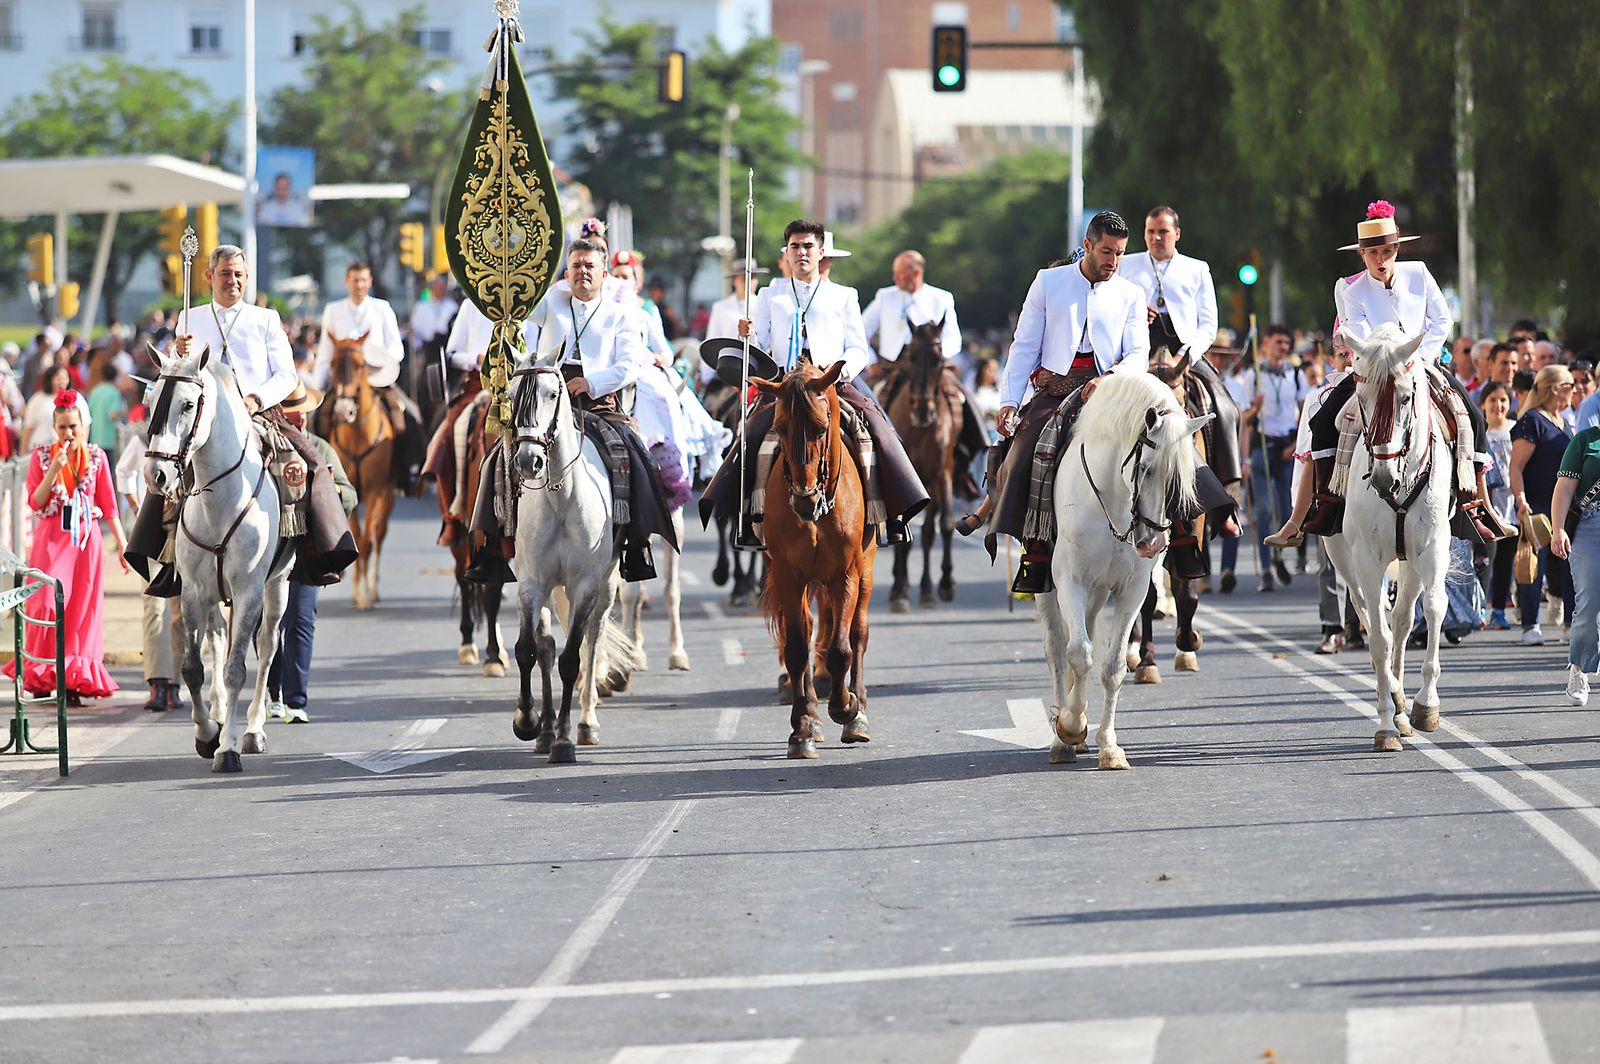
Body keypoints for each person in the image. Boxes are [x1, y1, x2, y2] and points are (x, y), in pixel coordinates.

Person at [972, 210, 1230, 594]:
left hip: (1114, 390)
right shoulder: (1048, 282)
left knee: (1170, 432)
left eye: (1121, 253)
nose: (1113, 262)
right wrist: (1009, 400)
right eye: (1107, 252)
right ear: (1088, 246)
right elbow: (1024, 346)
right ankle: (1037, 548)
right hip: (1056, 386)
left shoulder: (1129, 292)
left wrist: (1107, 378)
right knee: (1027, 445)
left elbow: (1138, 352)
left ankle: (1183, 533)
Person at [122, 245, 357, 594]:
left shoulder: (265, 318)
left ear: (246, 279)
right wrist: (178, 354)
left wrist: (254, 398)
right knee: (166, 471)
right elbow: (177, 375)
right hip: (202, 418)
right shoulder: (190, 318)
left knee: (309, 464)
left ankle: (315, 550)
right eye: (225, 274)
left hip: (257, 413)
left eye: (238, 275)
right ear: (209, 277)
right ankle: (167, 557)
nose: (232, 280)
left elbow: (286, 374)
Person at [699, 218, 929, 549]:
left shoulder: (844, 295)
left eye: (808, 246)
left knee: (877, 425)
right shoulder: (769, 295)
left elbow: (858, 348)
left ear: (821, 252)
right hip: (785, 383)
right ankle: (748, 518)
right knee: (750, 434)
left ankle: (889, 515)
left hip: (829, 381)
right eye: (795, 246)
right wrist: (747, 335)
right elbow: (762, 346)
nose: (802, 252)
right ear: (787, 253)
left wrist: (838, 371)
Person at [466, 237, 676, 583]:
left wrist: (590, 383)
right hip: (545, 398)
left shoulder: (623, 315)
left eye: (590, 266)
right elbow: (513, 306)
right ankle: (490, 547)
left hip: (596, 400)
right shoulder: (550, 302)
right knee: (497, 455)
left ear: (604, 274)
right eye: (576, 265)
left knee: (636, 454)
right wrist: (502, 264)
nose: (582, 272)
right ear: (567, 271)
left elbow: (628, 366)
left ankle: (636, 545)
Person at [1300, 201, 1508, 544]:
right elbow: (1359, 335)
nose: (1381, 259)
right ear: (1362, 255)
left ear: (1396, 249)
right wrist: (1387, 363)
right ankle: (1328, 502)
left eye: (1387, 251)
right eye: (1373, 253)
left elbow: (1442, 320)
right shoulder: (1352, 292)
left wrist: (1420, 359)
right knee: (1323, 422)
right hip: (1375, 371)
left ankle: (1473, 502)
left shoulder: (1420, 273)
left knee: (1472, 415)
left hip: (1423, 364)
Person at [3, 391, 129, 702]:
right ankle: (40, 672)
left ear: (84, 426)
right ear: (53, 428)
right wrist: (53, 470)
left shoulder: (96, 458)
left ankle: (71, 679)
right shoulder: (42, 456)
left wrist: (125, 546)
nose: (68, 434)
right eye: (62, 428)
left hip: (85, 544)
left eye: (73, 426)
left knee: (80, 612)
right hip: (51, 542)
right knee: (44, 602)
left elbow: (109, 507)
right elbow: (36, 500)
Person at [860, 249, 988, 495]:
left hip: (930, 368)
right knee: (871, 402)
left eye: (899, 274)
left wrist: (939, 357)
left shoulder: (941, 298)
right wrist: (871, 360)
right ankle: (872, 461)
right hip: (893, 367)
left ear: (915, 273)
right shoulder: (885, 296)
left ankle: (964, 461)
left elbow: (953, 338)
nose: (894, 278)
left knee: (961, 399)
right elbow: (862, 329)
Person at [266, 384, 357, 724]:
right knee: (268, 623)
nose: (301, 415)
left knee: (302, 620)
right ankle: (269, 694)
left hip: (307, 549)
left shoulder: (320, 448)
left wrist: (325, 492)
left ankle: (296, 700)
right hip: (272, 549)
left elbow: (349, 494)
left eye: (304, 408)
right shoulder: (265, 445)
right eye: (292, 408)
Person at [314, 261, 423, 489]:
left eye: (364, 280)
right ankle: (317, 473)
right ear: (347, 281)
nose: (360, 285)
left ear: (370, 281)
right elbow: (325, 351)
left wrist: (377, 359)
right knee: (318, 418)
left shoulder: (382, 308)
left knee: (409, 414)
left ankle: (409, 471)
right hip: (345, 381)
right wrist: (317, 387)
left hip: (377, 378)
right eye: (355, 280)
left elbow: (397, 348)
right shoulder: (333, 310)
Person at [115, 412, 184, 712]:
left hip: (186, 531)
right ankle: (157, 681)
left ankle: (176, 683)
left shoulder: (189, 438)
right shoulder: (143, 439)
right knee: (154, 606)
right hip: (155, 531)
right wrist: (137, 506)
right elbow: (123, 472)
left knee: (181, 610)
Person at [1509, 364, 1576, 645]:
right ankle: (1530, 624)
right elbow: (1516, 466)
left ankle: (1571, 625)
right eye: (1570, 385)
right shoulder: (1533, 420)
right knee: (1534, 565)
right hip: (1537, 504)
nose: (1575, 391)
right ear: (1555, 388)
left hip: (1566, 506)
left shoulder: (1563, 421)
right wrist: (1521, 499)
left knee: (1570, 568)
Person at [1237, 325, 1307, 591]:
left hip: (1287, 447)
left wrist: (1295, 445)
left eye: (1287, 343)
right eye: (1279, 342)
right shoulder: (1252, 375)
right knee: (1264, 510)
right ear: (1266, 343)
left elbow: (1304, 415)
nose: (1284, 347)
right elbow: (1243, 420)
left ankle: (1278, 553)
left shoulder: (1296, 374)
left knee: (1287, 509)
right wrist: (1254, 408)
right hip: (1262, 448)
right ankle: (1266, 569)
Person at [1118, 205, 1219, 356]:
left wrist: (1185, 357)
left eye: (1163, 231)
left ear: (1177, 234)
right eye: (1150, 231)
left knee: (1214, 381)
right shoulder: (1124, 265)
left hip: (1183, 351)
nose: (1156, 237)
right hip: (1135, 350)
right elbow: (1111, 311)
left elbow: (1208, 325)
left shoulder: (1197, 269)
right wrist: (1136, 314)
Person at [1551, 419, 1600, 704]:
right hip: (1590, 525)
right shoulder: (1585, 441)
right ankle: (1579, 669)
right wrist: (1558, 529)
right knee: (1589, 600)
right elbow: (1565, 488)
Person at [1479, 380, 1519, 629]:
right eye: (1492, 400)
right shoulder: (1479, 432)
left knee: (1506, 561)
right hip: (1486, 505)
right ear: (1483, 404)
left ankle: (1499, 611)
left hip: (1512, 505)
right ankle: (1480, 607)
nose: (1498, 405)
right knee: (1486, 560)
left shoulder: (1516, 429)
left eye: (1503, 399)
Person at [86, 360, 127, 470]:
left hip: (95, 435)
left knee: (95, 467)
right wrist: (122, 412)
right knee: (108, 469)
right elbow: (112, 414)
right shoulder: (114, 392)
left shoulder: (95, 391)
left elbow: (89, 411)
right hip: (109, 438)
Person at [23, 364, 73, 451]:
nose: (62, 381)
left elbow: (85, 424)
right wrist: (23, 450)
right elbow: (28, 427)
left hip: (66, 449)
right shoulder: (38, 399)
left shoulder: (75, 397)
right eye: (58, 378)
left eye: (65, 378)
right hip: (40, 448)